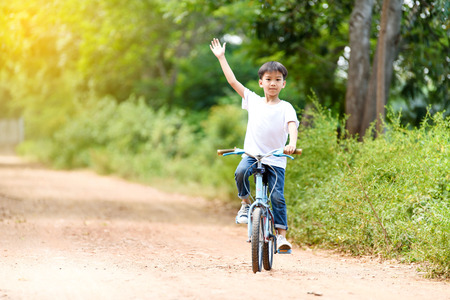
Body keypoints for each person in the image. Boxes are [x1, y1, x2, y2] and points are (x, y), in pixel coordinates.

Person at [210, 38, 299, 252]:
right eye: (268, 79)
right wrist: (222, 57)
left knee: (277, 196)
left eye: (278, 80)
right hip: (252, 154)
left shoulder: (286, 107)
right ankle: (245, 203)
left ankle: (281, 237)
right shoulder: (253, 100)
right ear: (261, 82)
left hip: (276, 158)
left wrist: (292, 143)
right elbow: (233, 82)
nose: (273, 83)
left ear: (283, 84)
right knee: (241, 172)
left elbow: (292, 126)